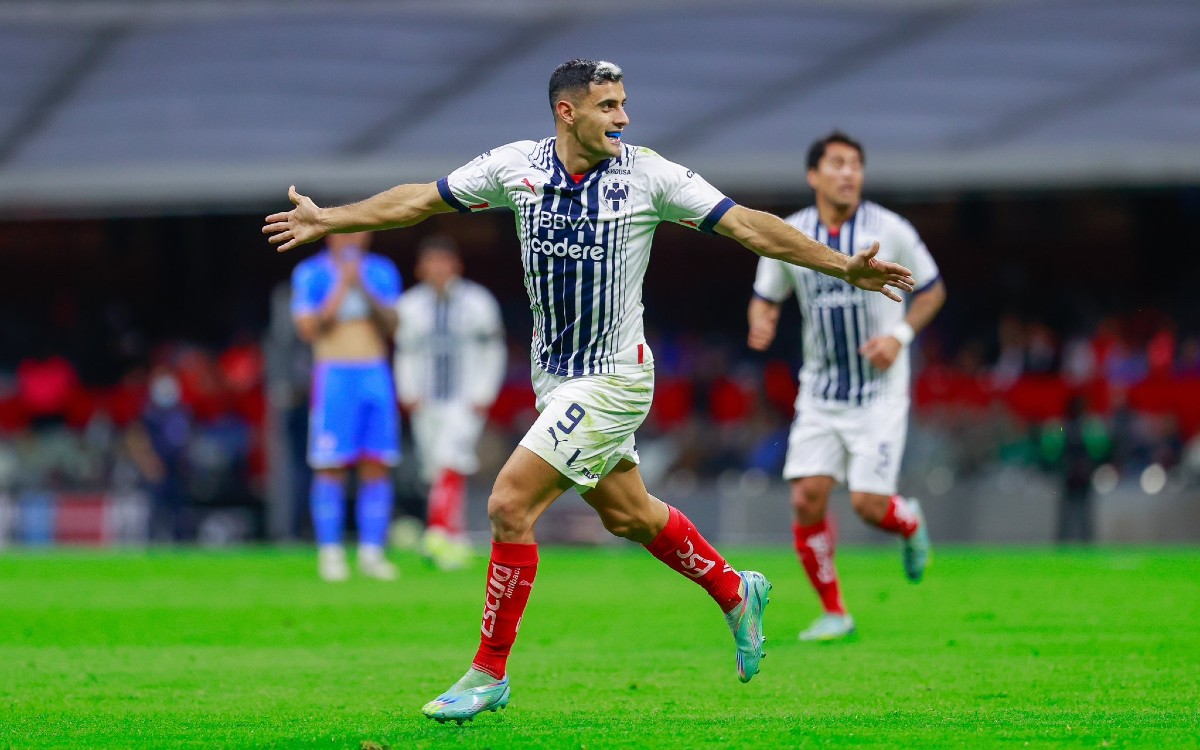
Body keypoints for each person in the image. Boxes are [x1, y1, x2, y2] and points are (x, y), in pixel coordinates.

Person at [264, 59, 914, 723]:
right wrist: (332, 220)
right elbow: (419, 200)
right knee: (629, 515)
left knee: (508, 503)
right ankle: (734, 589)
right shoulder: (515, 167)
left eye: (624, 104)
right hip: (558, 381)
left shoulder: (649, 175)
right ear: (567, 112)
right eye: (608, 105)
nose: (624, 117)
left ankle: (488, 672)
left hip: (616, 377)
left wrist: (842, 266)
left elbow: (747, 224)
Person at [747, 131, 947, 643]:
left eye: (855, 164)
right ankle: (836, 612)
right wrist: (763, 320)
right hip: (820, 390)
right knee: (806, 499)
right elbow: (765, 294)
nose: (848, 173)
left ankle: (906, 522)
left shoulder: (889, 228)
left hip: (878, 391)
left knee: (867, 505)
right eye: (836, 164)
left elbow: (932, 290)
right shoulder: (792, 233)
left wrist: (900, 336)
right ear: (814, 175)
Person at [290, 231, 402, 581]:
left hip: (375, 374)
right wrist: (342, 284)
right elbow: (309, 328)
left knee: (377, 462)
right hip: (335, 376)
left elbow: (394, 325)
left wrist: (363, 286)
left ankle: (371, 552)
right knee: (330, 464)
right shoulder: (311, 272)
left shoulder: (382, 271)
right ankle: (331, 552)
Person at [393, 235, 507, 569]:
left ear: (456, 265)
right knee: (435, 468)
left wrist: (484, 392)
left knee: (451, 460)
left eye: (444, 263)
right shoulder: (410, 306)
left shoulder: (477, 302)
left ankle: (437, 532)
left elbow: (493, 349)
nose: (438, 269)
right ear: (420, 269)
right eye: (432, 263)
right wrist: (408, 391)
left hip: (463, 398)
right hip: (426, 400)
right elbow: (405, 352)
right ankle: (453, 540)